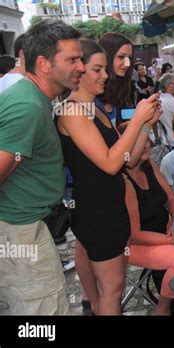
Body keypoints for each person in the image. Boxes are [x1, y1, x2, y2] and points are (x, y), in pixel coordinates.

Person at [56, 39, 160, 315]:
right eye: (97, 70)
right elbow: (110, 164)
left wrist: (146, 127)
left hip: (112, 209)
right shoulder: (73, 111)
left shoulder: (96, 110)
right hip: (97, 213)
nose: (106, 75)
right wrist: (137, 120)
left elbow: (128, 160)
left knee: (112, 290)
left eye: (105, 69)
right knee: (111, 292)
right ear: (80, 71)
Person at [0, 19, 85, 315]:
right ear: (44, 64)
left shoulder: (34, 98)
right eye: (72, 59)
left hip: (25, 229)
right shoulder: (28, 106)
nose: (81, 67)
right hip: (19, 232)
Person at [117, 123, 174, 316]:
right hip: (132, 244)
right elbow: (135, 235)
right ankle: (164, 307)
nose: (147, 144)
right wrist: (170, 240)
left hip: (163, 233)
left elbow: (172, 198)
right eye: (141, 141)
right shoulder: (123, 182)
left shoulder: (150, 167)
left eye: (147, 139)